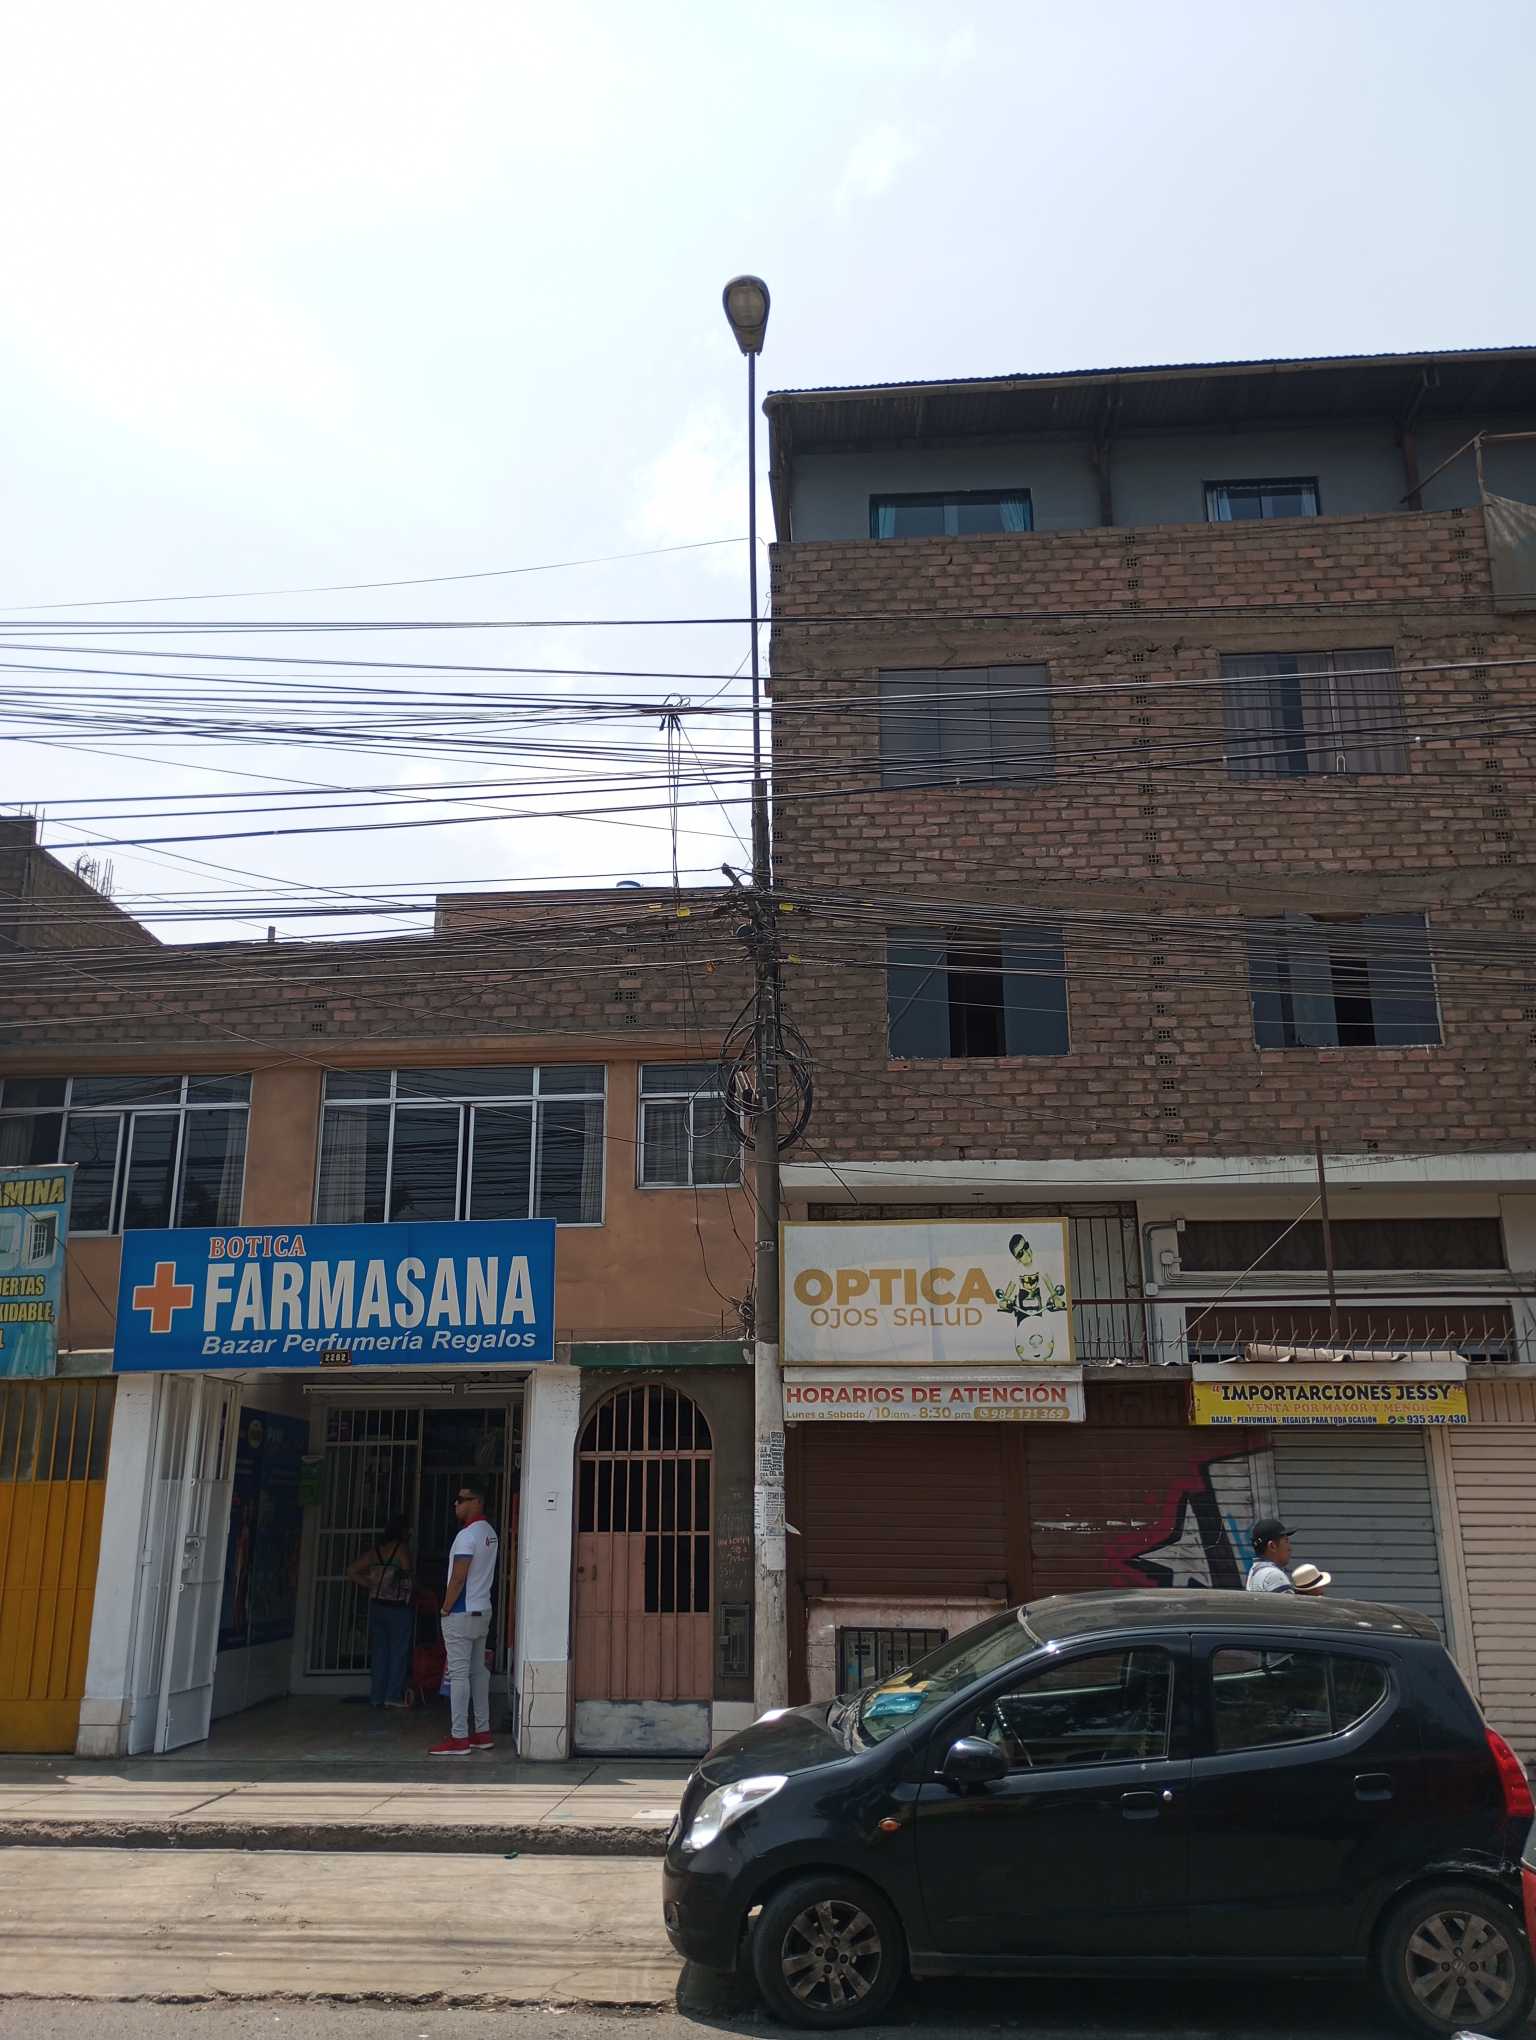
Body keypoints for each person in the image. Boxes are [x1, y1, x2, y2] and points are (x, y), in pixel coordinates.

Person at [430, 1478, 499, 1756]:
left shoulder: (466, 1536)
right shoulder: (490, 1533)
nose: (455, 1504)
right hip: (483, 1611)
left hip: (460, 1613)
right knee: (479, 1673)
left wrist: (445, 1608)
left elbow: (458, 1577)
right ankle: (482, 1732)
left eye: (461, 1500)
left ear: (477, 1502)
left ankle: (459, 1737)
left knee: (458, 1675)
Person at [347, 1514, 415, 1708]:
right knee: (398, 1651)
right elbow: (407, 1575)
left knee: (380, 1652)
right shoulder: (401, 1549)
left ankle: (377, 1696)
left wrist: (370, 1584)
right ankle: (393, 1695)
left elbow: (351, 1570)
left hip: (377, 1605)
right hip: (397, 1607)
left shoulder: (376, 1551)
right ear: (403, 1531)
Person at [1246, 1518, 1295, 1593]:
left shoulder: (1254, 1570)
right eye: (1286, 1541)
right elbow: (1291, 1601)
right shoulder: (1273, 1575)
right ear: (1272, 1546)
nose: (1290, 1548)